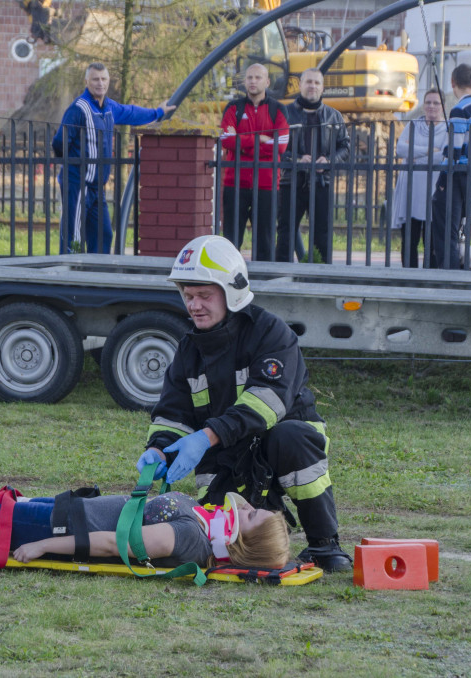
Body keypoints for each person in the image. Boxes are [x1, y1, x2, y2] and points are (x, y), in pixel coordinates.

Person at [136, 235, 352, 572]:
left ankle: (324, 544)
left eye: (204, 296)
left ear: (231, 292)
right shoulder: (189, 350)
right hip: (224, 454)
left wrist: (204, 438)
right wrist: (160, 448)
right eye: (188, 296)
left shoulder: (271, 334)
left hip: (278, 445)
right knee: (222, 536)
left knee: (292, 438)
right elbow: (172, 413)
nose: (194, 306)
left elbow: (266, 404)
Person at [0, 476, 292, 570]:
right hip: (63, 513)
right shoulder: (202, 529)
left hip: (60, 531)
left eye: (249, 517)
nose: (242, 508)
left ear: (242, 543)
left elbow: (111, 545)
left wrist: (45, 548)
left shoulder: (189, 539)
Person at [52, 63, 175, 255]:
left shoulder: (109, 107)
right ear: (87, 82)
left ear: (108, 81)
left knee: (104, 234)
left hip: (97, 187)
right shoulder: (78, 109)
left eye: (103, 79)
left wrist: (158, 112)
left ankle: (94, 274)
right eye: (95, 79)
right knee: (74, 236)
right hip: (77, 184)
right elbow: (59, 141)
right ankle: (68, 269)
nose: (100, 83)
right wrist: (74, 167)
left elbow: (131, 113)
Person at [276, 68, 350, 264]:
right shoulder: (285, 113)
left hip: (321, 181)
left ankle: (319, 275)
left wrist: (328, 161)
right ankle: (280, 275)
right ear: (300, 85)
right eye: (308, 82)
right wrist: (298, 160)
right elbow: (277, 147)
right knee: (285, 231)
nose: (312, 86)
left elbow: (345, 146)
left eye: (317, 83)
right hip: (290, 181)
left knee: (322, 233)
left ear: (323, 87)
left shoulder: (334, 116)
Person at [218, 63, 289, 258]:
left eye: (258, 78)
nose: (253, 81)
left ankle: (263, 282)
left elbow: (280, 145)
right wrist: (260, 139)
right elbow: (225, 140)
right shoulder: (233, 108)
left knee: (264, 241)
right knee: (230, 242)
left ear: (267, 82)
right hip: (235, 183)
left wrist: (241, 140)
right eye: (249, 78)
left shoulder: (278, 109)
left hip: (266, 185)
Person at [429, 64, 471, 269]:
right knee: (460, 227)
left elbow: (453, 149)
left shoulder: (458, 110)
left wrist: (443, 181)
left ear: (453, 83)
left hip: (456, 175)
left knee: (447, 231)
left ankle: (448, 273)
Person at [391, 89, 449, 268]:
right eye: (428, 102)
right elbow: (400, 149)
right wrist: (430, 150)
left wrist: (414, 152)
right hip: (411, 189)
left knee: (430, 242)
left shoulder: (447, 128)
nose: (431, 106)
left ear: (443, 106)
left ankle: (428, 279)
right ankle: (409, 278)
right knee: (409, 240)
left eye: (436, 103)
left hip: (432, 189)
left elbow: (443, 156)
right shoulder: (414, 125)